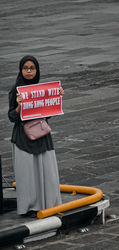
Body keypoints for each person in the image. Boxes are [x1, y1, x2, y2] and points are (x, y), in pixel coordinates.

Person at [8, 55, 64, 217]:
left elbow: (46, 114)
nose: (29, 71)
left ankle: (48, 204)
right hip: (23, 137)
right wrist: (19, 106)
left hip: (42, 134)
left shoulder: (42, 89)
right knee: (27, 174)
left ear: (37, 70)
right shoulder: (16, 90)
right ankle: (29, 207)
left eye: (32, 68)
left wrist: (56, 98)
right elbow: (11, 117)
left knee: (46, 170)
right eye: (26, 68)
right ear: (21, 70)